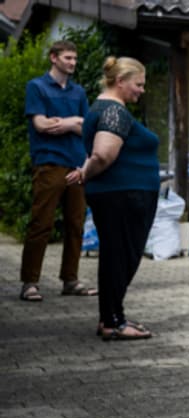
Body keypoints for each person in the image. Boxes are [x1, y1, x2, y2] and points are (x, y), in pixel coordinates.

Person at [66, 57, 159, 340]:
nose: (141, 90)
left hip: (121, 194)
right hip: (124, 195)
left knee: (115, 256)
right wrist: (86, 172)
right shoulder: (113, 111)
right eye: (138, 84)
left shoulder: (104, 109)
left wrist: (85, 171)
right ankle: (113, 322)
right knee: (120, 257)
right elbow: (103, 154)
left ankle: (113, 316)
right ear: (120, 82)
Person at [20, 40, 97, 302]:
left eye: (75, 58)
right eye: (68, 58)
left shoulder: (78, 93)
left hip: (76, 164)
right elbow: (41, 125)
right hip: (49, 162)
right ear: (53, 58)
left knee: (75, 225)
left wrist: (69, 123)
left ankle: (70, 280)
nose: (72, 63)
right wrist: (73, 122)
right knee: (41, 223)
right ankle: (29, 282)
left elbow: (86, 128)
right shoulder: (37, 87)